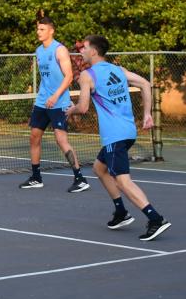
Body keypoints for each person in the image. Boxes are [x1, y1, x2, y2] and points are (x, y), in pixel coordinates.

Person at [66, 35, 171, 241]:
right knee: (99, 168)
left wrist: (72, 110)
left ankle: (155, 218)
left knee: (123, 181)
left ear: (94, 51)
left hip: (114, 135)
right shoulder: (118, 70)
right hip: (128, 132)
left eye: (84, 48)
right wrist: (147, 113)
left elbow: (84, 107)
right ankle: (121, 212)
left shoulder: (87, 75)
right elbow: (145, 84)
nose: (81, 52)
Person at [20, 16, 90, 193]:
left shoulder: (60, 50)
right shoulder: (38, 51)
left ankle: (80, 178)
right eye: (37, 29)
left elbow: (68, 77)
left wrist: (55, 96)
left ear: (51, 31)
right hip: (42, 102)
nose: (38, 32)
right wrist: (45, 97)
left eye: (42, 29)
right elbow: (46, 78)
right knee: (34, 136)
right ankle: (36, 177)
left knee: (61, 139)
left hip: (58, 103)